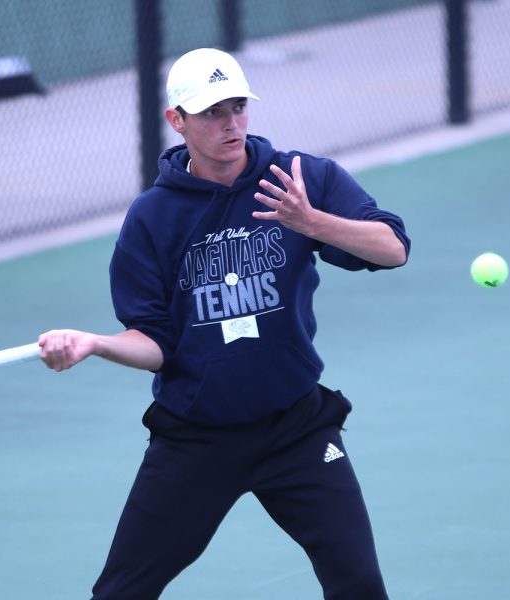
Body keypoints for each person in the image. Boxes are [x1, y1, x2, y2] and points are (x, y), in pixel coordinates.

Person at [38, 47, 410, 599]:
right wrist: (95, 344)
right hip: (197, 438)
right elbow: (155, 343)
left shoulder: (299, 178)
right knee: (121, 591)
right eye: (212, 112)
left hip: (296, 429)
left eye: (238, 106)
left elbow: (392, 249)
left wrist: (313, 222)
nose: (231, 123)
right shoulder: (153, 218)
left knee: (358, 584)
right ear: (177, 120)